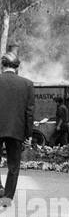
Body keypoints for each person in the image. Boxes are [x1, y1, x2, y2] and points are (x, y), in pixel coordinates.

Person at [0, 52, 36, 205]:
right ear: (17, 67)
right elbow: (29, 113)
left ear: (2, 65)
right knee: (14, 166)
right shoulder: (27, 84)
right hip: (16, 130)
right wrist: (28, 135)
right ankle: (7, 198)